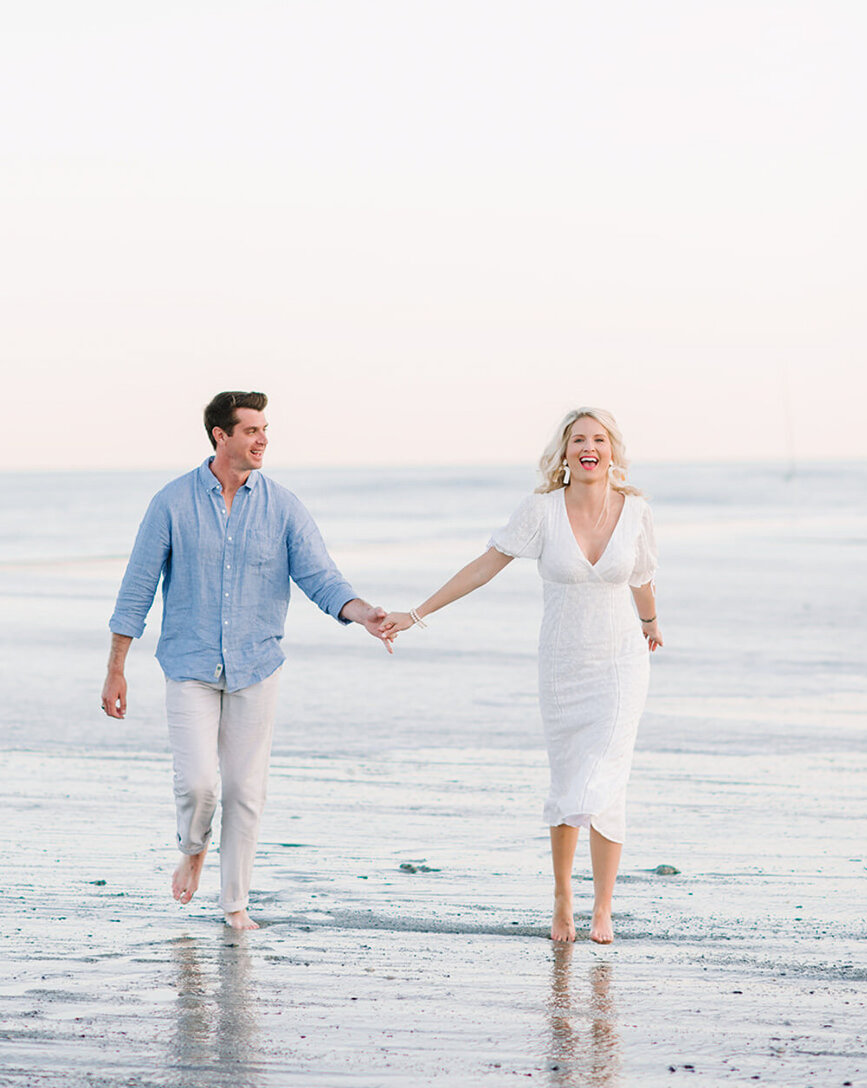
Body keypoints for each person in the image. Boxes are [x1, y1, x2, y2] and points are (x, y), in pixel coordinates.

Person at [101, 390, 391, 930]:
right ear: (221, 436)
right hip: (189, 664)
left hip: (256, 666)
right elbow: (137, 588)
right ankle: (193, 846)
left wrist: (363, 614)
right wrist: (116, 666)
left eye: (265, 430)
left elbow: (321, 577)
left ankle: (235, 904)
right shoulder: (171, 502)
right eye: (252, 430)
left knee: (244, 791)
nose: (262, 440)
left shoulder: (282, 506)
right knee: (197, 786)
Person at [381, 407, 663, 945]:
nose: (589, 447)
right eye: (578, 438)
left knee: (608, 774)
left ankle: (603, 907)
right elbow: (485, 566)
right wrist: (417, 614)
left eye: (599, 439)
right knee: (569, 779)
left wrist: (650, 624)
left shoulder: (637, 511)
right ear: (564, 452)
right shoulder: (542, 511)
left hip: (623, 661)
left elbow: (643, 577)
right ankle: (563, 898)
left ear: (612, 451)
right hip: (562, 666)